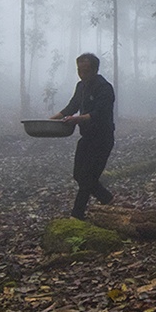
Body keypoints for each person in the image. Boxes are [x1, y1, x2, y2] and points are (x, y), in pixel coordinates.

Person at [54, 52, 115, 218]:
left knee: (87, 178)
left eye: (86, 71)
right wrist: (51, 120)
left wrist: (77, 119)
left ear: (95, 69)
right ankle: (107, 198)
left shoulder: (104, 87)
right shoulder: (81, 86)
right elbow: (72, 106)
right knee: (78, 175)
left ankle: (77, 215)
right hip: (86, 138)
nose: (82, 74)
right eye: (79, 70)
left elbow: (99, 113)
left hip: (102, 138)